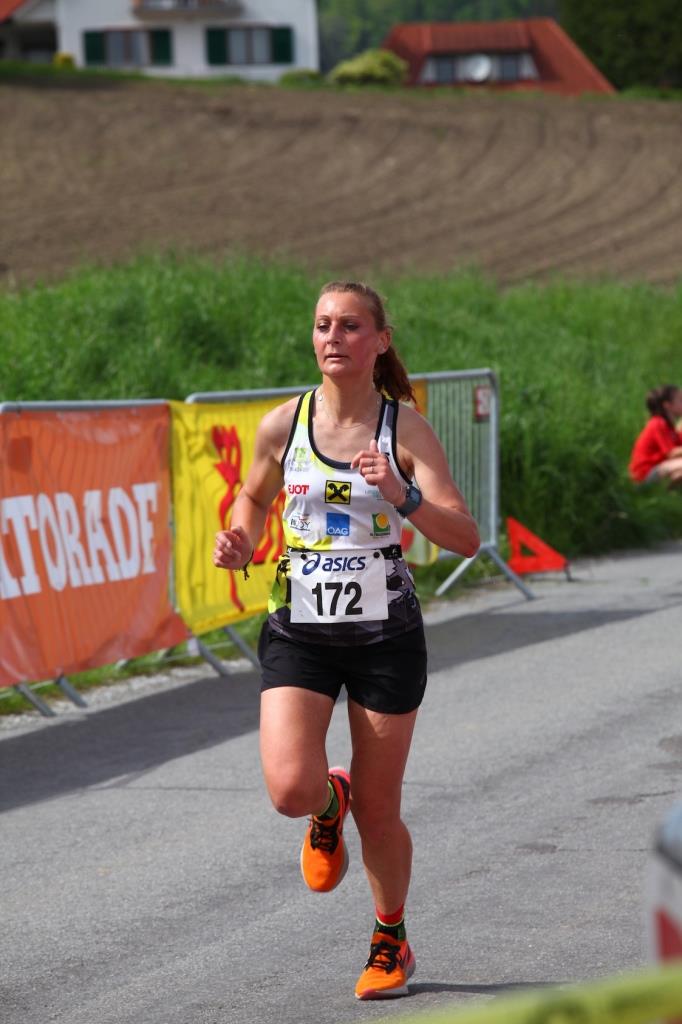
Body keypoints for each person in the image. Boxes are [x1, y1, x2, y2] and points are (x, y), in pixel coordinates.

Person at [212, 281, 479, 1000]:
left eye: (351, 326)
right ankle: (327, 803)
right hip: (299, 628)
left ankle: (391, 939)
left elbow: (466, 537)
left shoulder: (405, 431)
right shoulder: (283, 424)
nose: (334, 337)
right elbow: (254, 495)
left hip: (385, 638)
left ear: (380, 341)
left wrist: (404, 495)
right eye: (323, 325)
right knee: (288, 790)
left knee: (380, 810)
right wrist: (242, 538)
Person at [628, 385, 682, 487]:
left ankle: (668, 493)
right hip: (644, 474)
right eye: (680, 400)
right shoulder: (657, 423)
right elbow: (671, 453)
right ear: (667, 405)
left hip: (659, 469)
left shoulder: (670, 428)